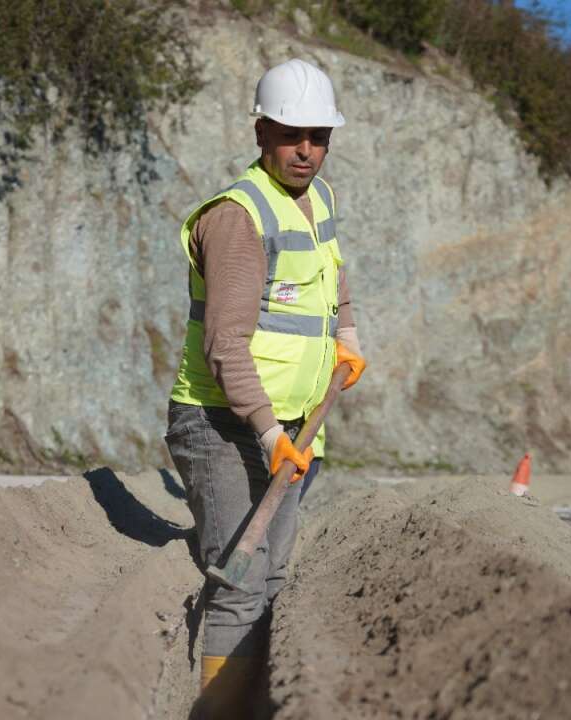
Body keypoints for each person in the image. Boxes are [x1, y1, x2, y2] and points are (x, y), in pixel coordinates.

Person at [164, 58, 366, 718]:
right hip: (225, 424)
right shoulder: (237, 218)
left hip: (293, 424)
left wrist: (348, 331)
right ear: (261, 133)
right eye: (290, 135)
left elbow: (331, 274)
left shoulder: (318, 199)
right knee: (241, 583)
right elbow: (225, 345)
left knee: (274, 577)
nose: (306, 150)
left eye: (318, 136)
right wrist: (269, 430)